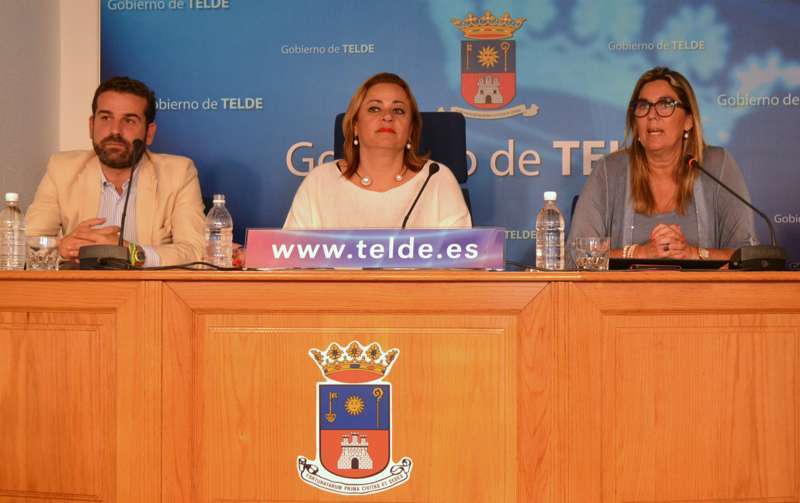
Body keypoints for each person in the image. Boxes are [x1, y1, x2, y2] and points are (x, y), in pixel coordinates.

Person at [568, 66, 757, 263]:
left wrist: (692, 253)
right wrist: (639, 253)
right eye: (643, 106)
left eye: (666, 104)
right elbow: (576, 257)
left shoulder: (716, 165)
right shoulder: (609, 170)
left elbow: (748, 255)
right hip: (628, 286)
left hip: (702, 285)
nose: (652, 115)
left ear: (688, 120)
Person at [26, 76, 205, 266]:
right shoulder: (62, 169)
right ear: (91, 126)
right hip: (80, 285)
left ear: (149, 133)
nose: (115, 131)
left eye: (129, 120)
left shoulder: (178, 174)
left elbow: (195, 251)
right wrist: (61, 249)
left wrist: (130, 252)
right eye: (106, 118)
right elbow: (25, 243)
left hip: (147, 285)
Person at [283, 72, 471, 229]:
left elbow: (461, 258)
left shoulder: (437, 179)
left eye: (398, 110)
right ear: (355, 125)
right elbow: (290, 256)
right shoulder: (320, 182)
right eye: (374, 109)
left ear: (411, 130)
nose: (387, 116)